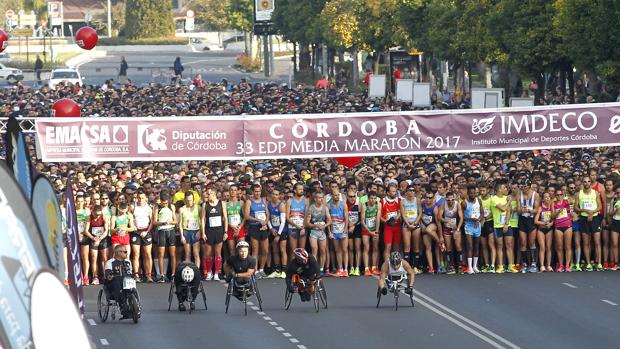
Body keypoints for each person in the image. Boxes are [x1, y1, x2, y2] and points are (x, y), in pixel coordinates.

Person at [575, 177, 604, 271]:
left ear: (591, 183)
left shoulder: (595, 193)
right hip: (583, 218)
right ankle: (588, 263)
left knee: (597, 241)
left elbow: (600, 206)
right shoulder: (578, 194)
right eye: (585, 181)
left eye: (588, 181)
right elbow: (576, 208)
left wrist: (592, 212)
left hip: (595, 218)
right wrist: (584, 210)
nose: (587, 183)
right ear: (582, 183)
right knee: (586, 242)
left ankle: (599, 263)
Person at [201, 187, 228, 280]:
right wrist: (203, 232)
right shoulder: (205, 205)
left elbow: (225, 218)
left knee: (217, 252)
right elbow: (203, 219)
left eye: (208, 194)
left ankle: (216, 273)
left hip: (219, 231)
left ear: (213, 194)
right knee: (208, 253)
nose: (207, 196)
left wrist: (225, 232)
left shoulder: (222, 203)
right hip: (209, 231)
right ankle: (209, 272)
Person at [153, 192, 178, 282]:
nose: (165, 204)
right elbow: (154, 222)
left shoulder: (172, 207)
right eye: (163, 203)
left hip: (170, 231)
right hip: (161, 231)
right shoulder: (157, 207)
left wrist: (170, 222)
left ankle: (173, 274)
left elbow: (175, 221)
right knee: (161, 254)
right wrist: (163, 223)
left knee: (172, 254)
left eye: (166, 203)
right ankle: (162, 275)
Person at [306, 190, 332, 276]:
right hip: (313, 231)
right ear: (315, 199)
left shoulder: (325, 208)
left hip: (322, 232)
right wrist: (315, 226)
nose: (321, 199)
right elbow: (307, 223)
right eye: (319, 198)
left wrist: (324, 225)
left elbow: (329, 220)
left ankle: (321, 269)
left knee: (323, 250)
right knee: (314, 249)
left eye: (322, 198)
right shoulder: (311, 208)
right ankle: (314, 269)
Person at [104, 245, 133, 318]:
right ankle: (122, 307)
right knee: (118, 279)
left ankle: (134, 304)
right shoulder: (110, 262)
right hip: (113, 284)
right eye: (125, 252)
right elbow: (108, 273)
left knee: (128, 279)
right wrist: (109, 276)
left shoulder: (128, 261)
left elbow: (130, 273)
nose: (127, 253)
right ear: (118, 253)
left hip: (126, 282)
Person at [131, 191, 153, 282]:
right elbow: (130, 218)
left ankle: (148, 275)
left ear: (146, 198)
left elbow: (152, 222)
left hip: (146, 231)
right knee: (136, 254)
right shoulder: (133, 207)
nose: (140, 200)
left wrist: (147, 231)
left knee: (147, 254)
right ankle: (136, 275)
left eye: (142, 198)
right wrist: (134, 228)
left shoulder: (149, 208)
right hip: (136, 232)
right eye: (139, 198)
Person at [328, 182, 349, 277]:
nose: (336, 196)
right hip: (334, 230)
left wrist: (345, 230)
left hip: (343, 229)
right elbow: (328, 220)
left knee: (344, 249)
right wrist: (329, 232)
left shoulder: (343, 204)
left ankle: (345, 269)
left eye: (337, 195)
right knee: (337, 250)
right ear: (331, 195)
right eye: (334, 195)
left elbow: (347, 219)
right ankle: (340, 269)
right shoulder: (328, 205)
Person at [401, 185, 422, 273]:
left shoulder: (417, 200)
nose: (412, 192)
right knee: (407, 247)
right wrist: (408, 224)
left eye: (413, 191)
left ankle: (415, 267)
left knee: (416, 247)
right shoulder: (402, 201)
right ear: (406, 192)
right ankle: (407, 268)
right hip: (406, 225)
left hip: (415, 224)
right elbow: (402, 214)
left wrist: (415, 223)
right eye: (410, 190)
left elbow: (420, 213)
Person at [462, 185, 483, 274]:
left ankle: (475, 266)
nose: (473, 194)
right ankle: (469, 267)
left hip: (477, 225)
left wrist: (479, 219)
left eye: (474, 193)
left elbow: (482, 213)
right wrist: (471, 219)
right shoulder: (464, 203)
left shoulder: (479, 200)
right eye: (471, 193)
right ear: (468, 193)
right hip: (468, 226)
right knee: (469, 246)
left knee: (476, 246)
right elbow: (461, 216)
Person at [267, 188, 287, 278]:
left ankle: (284, 270)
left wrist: (278, 234)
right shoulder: (268, 204)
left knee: (282, 249)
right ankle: (277, 270)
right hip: (273, 229)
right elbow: (267, 217)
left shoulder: (281, 205)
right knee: (275, 250)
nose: (274, 196)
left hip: (281, 230)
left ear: (279, 195)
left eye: (276, 194)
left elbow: (283, 221)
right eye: (273, 194)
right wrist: (271, 229)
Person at [361, 191, 381, 276]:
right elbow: (362, 220)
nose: (373, 200)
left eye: (374, 198)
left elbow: (378, 218)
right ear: (368, 198)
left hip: (375, 229)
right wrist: (369, 232)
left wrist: (376, 232)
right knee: (366, 247)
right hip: (366, 229)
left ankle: (374, 267)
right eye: (371, 198)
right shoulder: (364, 205)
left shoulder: (378, 205)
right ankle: (366, 268)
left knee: (375, 248)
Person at [179, 191, 201, 266]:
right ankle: (188, 272)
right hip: (186, 231)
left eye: (191, 200)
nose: (190, 202)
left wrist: (200, 231)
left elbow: (202, 220)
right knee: (187, 254)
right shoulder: (182, 209)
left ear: (193, 199)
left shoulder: (198, 207)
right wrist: (182, 236)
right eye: (188, 200)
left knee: (196, 253)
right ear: (185, 199)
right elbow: (180, 223)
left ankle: (197, 272)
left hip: (196, 231)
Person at [286, 183, 308, 256]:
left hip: (302, 228)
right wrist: (296, 226)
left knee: (302, 251)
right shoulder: (290, 201)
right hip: (292, 228)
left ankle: (302, 267)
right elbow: (287, 217)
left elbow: (307, 215)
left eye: (302, 189)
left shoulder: (306, 201)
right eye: (300, 189)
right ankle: (293, 267)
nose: (302, 191)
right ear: (295, 190)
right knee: (293, 251)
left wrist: (303, 227)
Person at [346, 190, 362, 276]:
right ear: (347, 197)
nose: (352, 198)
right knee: (350, 248)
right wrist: (349, 225)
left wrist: (354, 225)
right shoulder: (345, 204)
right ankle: (351, 267)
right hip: (348, 227)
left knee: (357, 248)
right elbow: (344, 216)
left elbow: (361, 217)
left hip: (357, 227)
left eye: (354, 196)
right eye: (350, 196)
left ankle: (357, 268)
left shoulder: (358, 204)